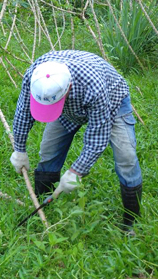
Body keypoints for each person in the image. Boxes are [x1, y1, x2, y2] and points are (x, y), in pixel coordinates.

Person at [10, 50, 143, 231]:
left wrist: (75, 171)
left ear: (68, 89)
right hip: (66, 109)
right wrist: (19, 150)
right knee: (48, 151)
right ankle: (43, 207)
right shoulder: (35, 76)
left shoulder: (94, 86)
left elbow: (97, 136)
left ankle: (130, 223)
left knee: (126, 158)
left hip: (113, 102)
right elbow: (23, 112)